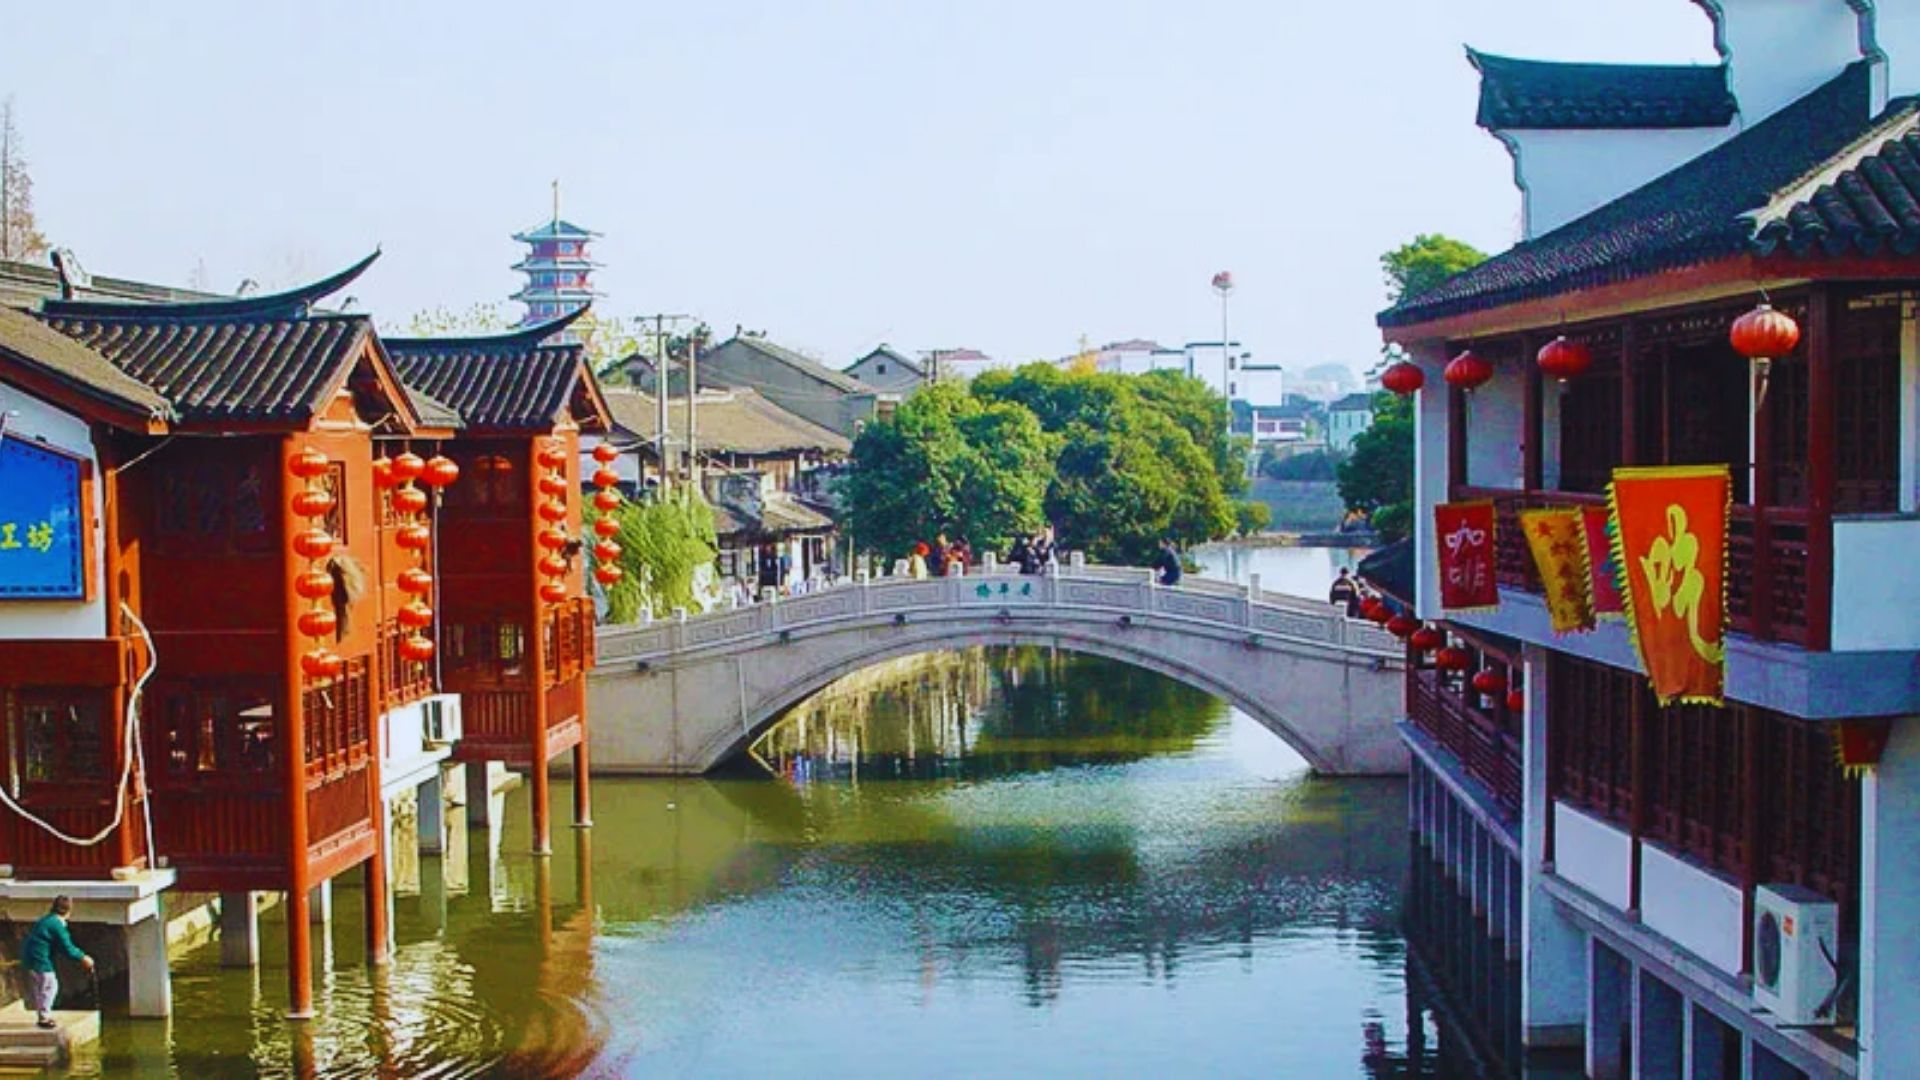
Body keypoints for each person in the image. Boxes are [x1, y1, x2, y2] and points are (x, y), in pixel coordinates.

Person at [21, 896, 92, 1029]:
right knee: (50, 986)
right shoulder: (57, 925)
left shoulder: (47, 920)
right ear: (68, 911)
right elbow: (67, 948)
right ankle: (44, 1018)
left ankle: (42, 1015)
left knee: (40, 988)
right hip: (40, 959)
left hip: (30, 958)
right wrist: (83, 957)